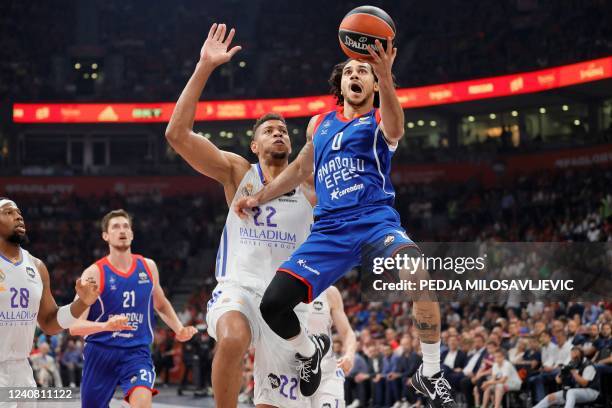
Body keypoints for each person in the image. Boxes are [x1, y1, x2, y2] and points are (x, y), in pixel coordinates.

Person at [235, 36, 455, 407]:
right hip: (329, 231)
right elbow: (300, 169)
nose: (356, 75)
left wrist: (386, 77)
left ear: (373, 84)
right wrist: (259, 196)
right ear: (340, 85)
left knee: (418, 273)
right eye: (349, 71)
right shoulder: (318, 124)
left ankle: (430, 372)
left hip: (374, 222)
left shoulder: (381, 117)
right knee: (273, 305)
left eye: (364, 72)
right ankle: (310, 351)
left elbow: (397, 130)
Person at [165, 23, 316, 408]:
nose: (279, 133)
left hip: (287, 304)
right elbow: (177, 135)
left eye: (283, 130)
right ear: (254, 144)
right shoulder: (238, 172)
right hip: (240, 290)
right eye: (269, 130)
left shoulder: (310, 186)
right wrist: (204, 67)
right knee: (232, 339)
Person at [69, 209, 197, 408]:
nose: (122, 230)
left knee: (142, 402)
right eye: (115, 227)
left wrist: (179, 329)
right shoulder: (93, 273)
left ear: (132, 234)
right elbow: (74, 326)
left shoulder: (148, 266)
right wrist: (106, 326)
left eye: (126, 226)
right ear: (105, 236)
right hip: (101, 351)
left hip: (136, 352)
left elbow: (160, 303)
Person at [0, 198, 99, 392]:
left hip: (22, 369)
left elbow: (49, 322)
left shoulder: (37, 266)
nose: (18, 217)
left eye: (19, 212)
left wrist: (82, 303)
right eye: (8, 212)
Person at [307, 286, 356, 408]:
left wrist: (349, 354)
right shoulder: (284, 289)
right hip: (293, 371)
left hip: (326, 372)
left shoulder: (329, 292)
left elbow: (347, 332)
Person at [533, 347, 600, 408]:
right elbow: (558, 381)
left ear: (581, 356)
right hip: (574, 392)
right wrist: (560, 376)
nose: (573, 359)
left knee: (571, 392)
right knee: (550, 398)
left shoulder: (588, 365)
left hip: (592, 392)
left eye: (575, 357)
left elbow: (584, 384)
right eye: (572, 357)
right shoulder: (572, 363)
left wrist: (573, 372)